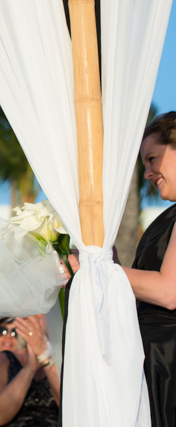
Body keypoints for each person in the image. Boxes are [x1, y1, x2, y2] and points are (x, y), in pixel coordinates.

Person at [69, 111, 176, 427]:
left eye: (152, 159)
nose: (147, 172)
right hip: (155, 360)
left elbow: (168, 291)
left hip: (169, 365)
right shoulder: (167, 220)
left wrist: (98, 267)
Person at [0, 316, 59, 427]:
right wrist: (29, 370)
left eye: (37, 317)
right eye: (26, 318)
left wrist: (45, 358)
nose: (31, 323)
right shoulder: (2, 360)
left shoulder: (63, 358)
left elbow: (72, 407)